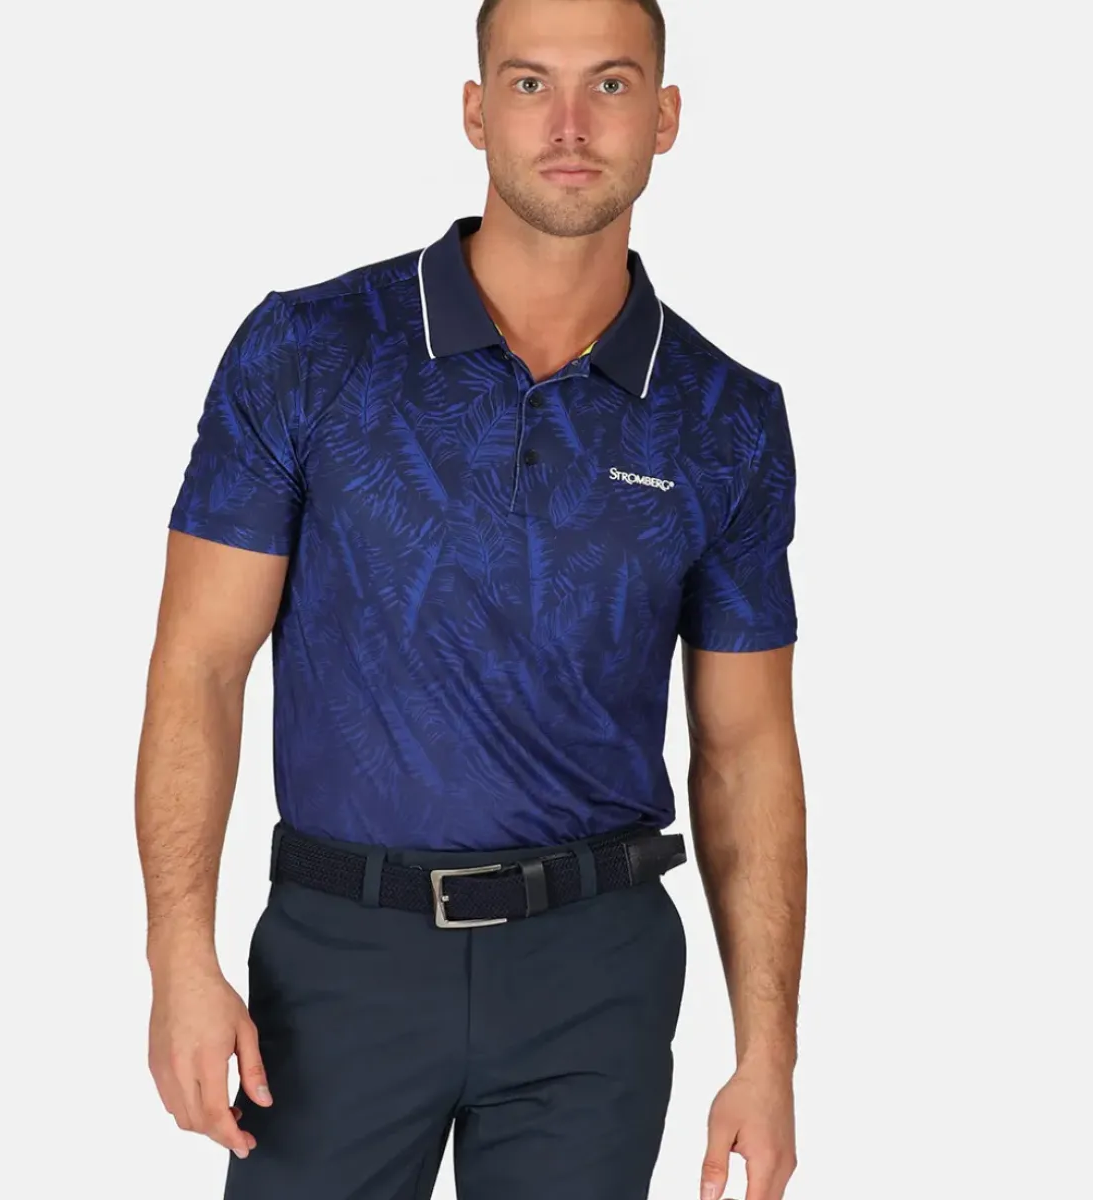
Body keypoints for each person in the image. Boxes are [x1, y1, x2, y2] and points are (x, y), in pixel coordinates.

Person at [135, 0, 806, 1197]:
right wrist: (177, 959)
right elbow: (201, 664)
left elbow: (746, 748)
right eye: (529, 82)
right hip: (340, 960)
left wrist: (769, 1057)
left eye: (609, 85)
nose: (568, 124)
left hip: (594, 977)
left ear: (664, 118)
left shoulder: (724, 418)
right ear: (475, 110)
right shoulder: (310, 351)